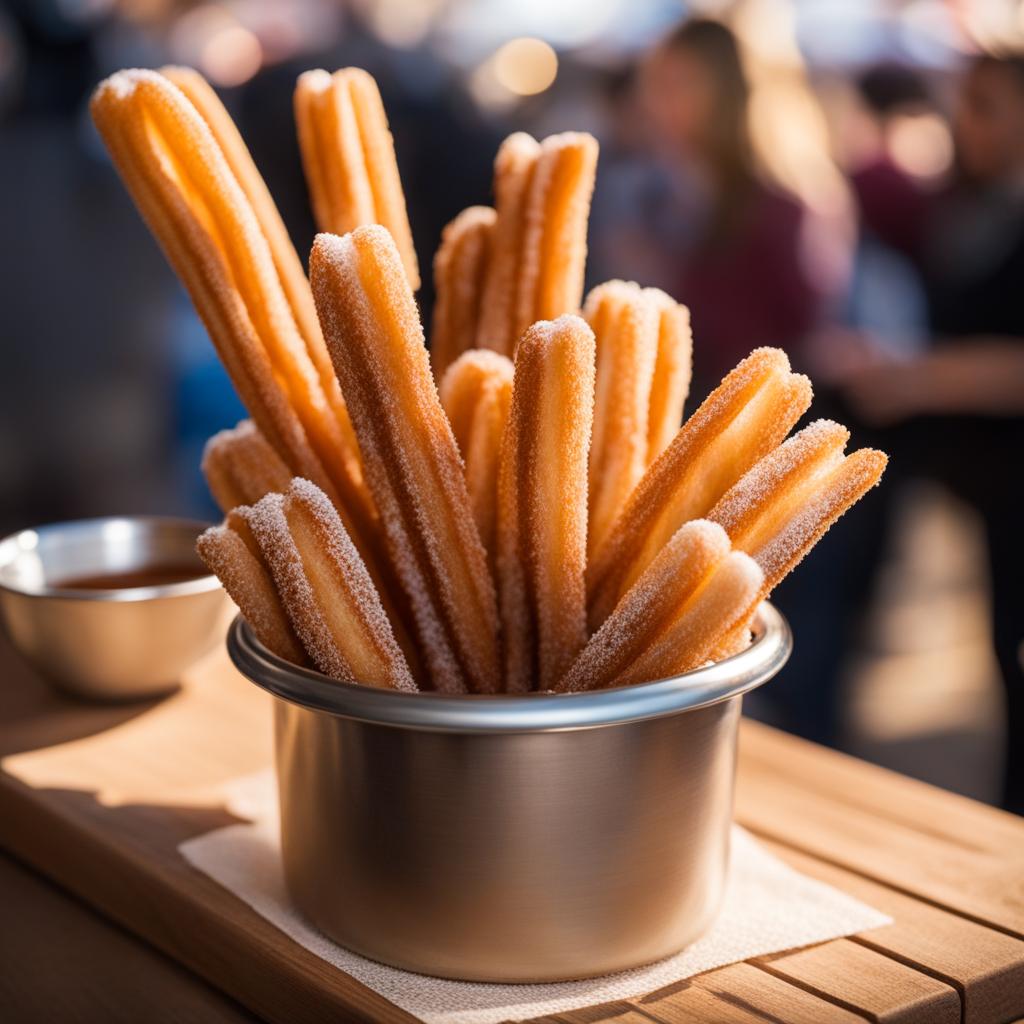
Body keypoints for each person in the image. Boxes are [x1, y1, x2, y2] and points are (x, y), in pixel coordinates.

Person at [838, 54, 1024, 814]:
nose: (963, 121)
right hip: (994, 490)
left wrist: (914, 376)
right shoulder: (977, 206)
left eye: (984, 104)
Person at [634, 18, 824, 393]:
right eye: (657, 84)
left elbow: (791, 327)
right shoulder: (654, 188)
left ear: (725, 93)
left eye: (680, 85)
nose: (660, 103)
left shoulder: (774, 207)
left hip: (735, 405)